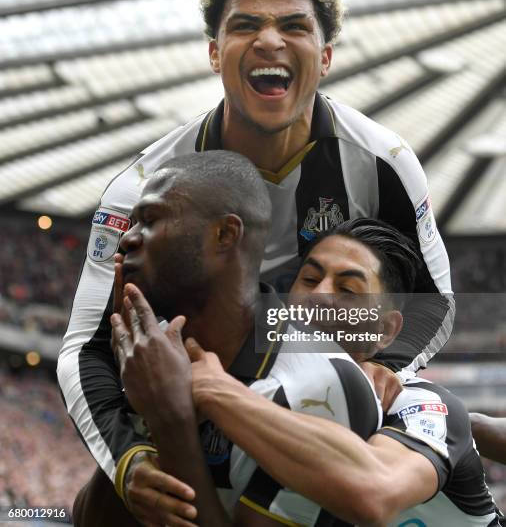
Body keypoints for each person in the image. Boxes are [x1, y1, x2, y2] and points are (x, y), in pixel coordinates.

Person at [58, 0, 453, 523]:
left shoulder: (382, 163)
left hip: (315, 410)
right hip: (187, 399)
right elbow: (85, 346)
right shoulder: (143, 189)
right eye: (246, 25)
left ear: (327, 55)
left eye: (293, 25)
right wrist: (128, 457)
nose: (270, 41)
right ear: (215, 53)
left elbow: (431, 302)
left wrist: (382, 363)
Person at [74, 150, 383, 526]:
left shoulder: (320, 384)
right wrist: (138, 421)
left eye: (150, 220)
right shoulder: (159, 356)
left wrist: (168, 419)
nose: (128, 240)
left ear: (224, 234)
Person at [158, 219, 503, 526]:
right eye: (309, 278)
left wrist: (214, 392)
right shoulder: (267, 397)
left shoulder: (418, 404)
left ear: (385, 331)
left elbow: (376, 493)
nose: (320, 295)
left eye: (348, 290)